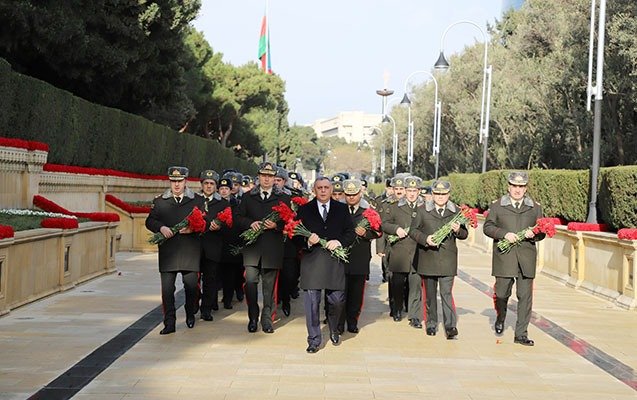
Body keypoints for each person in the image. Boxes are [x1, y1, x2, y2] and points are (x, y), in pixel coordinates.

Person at [483, 171, 546, 346]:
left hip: (526, 258)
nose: (517, 190)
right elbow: (487, 227)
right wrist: (504, 235)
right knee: (502, 293)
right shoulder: (497, 206)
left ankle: (521, 334)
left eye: (521, 186)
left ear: (525, 188)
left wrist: (533, 234)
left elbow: (542, 232)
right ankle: (501, 316)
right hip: (504, 258)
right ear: (509, 187)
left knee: (525, 297)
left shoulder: (535, 207)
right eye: (514, 186)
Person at [294, 177, 356, 353]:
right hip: (312, 262)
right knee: (312, 303)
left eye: (326, 187)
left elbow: (350, 233)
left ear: (331, 190)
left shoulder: (341, 209)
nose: (323, 190)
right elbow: (294, 236)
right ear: (314, 190)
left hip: (334, 262)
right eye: (319, 187)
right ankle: (314, 339)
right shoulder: (305, 210)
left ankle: (334, 327)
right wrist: (307, 240)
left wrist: (339, 242)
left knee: (336, 301)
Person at [145, 166, 205, 334]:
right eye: (173, 181)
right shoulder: (160, 201)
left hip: (189, 250)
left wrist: (193, 228)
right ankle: (169, 323)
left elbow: (204, 223)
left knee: (191, 286)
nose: (176, 185)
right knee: (167, 290)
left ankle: (190, 313)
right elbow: (150, 221)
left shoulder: (197, 200)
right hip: (168, 251)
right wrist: (161, 227)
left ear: (185, 181)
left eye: (179, 181)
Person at [235, 162, 291, 333]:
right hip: (252, 248)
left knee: (269, 287)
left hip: (272, 248)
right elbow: (237, 218)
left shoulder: (283, 197)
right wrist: (250, 223)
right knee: (250, 282)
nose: (266, 179)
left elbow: (289, 221)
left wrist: (276, 225)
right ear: (258, 177)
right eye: (263, 176)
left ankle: (267, 318)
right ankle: (253, 315)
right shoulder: (247, 197)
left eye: (270, 176)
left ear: (275, 178)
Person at [409, 180, 468, 338]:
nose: (440, 197)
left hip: (448, 259)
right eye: (437, 194)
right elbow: (413, 231)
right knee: (430, 295)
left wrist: (458, 230)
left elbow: (464, 234)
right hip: (428, 258)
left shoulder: (455, 210)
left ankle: (450, 326)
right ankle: (431, 323)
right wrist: (426, 239)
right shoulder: (422, 210)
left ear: (448, 195)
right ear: (432, 194)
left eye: (443, 194)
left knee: (446, 293)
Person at [338, 179, 381, 334]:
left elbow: (378, 231)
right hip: (340, 258)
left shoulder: (367, 211)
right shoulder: (337, 209)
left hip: (359, 257)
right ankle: (339, 322)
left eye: (354, 194)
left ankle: (352, 321)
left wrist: (366, 233)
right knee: (340, 292)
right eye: (348, 194)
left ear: (360, 193)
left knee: (356, 293)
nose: (351, 198)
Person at [381, 175, 420, 322]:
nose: (411, 193)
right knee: (397, 284)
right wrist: (396, 229)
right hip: (399, 253)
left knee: (415, 286)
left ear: (418, 191)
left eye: (414, 190)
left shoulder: (423, 208)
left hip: (417, 252)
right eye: (409, 190)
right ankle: (396, 309)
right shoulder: (395, 207)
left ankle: (414, 316)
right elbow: (384, 224)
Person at [197, 170, 229, 321]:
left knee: (210, 279)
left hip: (213, 246)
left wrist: (220, 226)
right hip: (195, 247)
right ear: (201, 184)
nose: (208, 186)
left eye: (211, 184)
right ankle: (193, 305)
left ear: (216, 186)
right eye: (206, 183)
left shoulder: (223, 203)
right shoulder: (194, 200)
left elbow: (229, 224)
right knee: (192, 280)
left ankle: (206, 309)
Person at [217, 177, 243, 309]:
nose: (223, 191)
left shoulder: (237, 204)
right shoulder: (214, 203)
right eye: (221, 189)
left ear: (231, 190)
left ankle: (230, 296)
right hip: (218, 242)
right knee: (220, 273)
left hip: (233, 241)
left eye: (226, 188)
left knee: (233, 272)